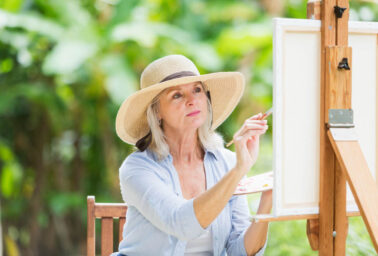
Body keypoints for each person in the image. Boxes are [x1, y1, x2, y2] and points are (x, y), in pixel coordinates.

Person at [112, 54, 272, 256]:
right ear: (157, 111)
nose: (192, 100)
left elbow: (238, 252)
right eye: (177, 95)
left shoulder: (227, 162)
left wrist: (268, 200)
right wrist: (239, 170)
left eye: (197, 90)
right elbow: (181, 223)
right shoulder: (137, 168)